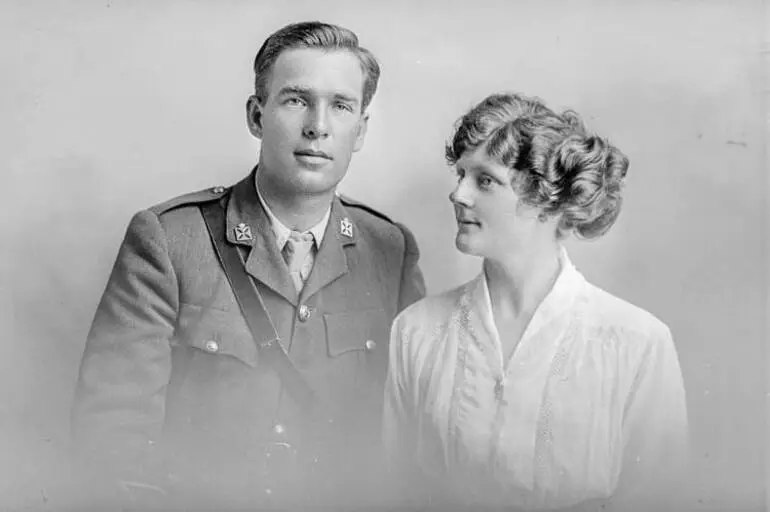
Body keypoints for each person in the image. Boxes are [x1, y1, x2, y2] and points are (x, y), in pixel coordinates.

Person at [70, 20, 425, 509]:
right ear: (257, 116)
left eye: (341, 106)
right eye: (296, 100)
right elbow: (111, 437)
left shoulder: (389, 249)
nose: (318, 126)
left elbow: (410, 439)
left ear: (360, 129)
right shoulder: (170, 241)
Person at [383, 93, 688, 511]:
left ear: (546, 199)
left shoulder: (636, 343)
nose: (458, 194)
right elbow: (395, 491)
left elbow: (659, 498)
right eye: (460, 175)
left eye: (484, 180)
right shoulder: (416, 331)